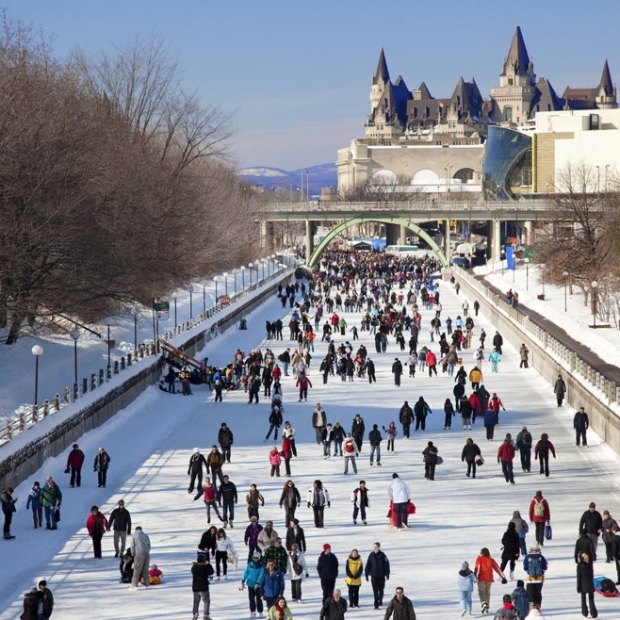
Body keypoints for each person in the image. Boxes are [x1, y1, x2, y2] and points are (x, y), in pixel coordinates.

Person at [474, 547, 506, 615]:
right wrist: (503, 577)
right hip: (489, 579)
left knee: (481, 592)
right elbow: (497, 568)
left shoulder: (479, 559)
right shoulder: (491, 560)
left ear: (481, 552)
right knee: (487, 593)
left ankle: (484, 603)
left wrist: (475, 577)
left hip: (481, 579)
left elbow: (478, 569)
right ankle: (487, 607)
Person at [365, 542, 390, 609]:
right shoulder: (371, 555)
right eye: (373, 547)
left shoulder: (383, 555)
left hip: (381, 575)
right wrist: (366, 574)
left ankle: (380, 600)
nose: (374, 548)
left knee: (381, 589)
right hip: (373, 575)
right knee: (375, 590)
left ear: (379, 547)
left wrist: (387, 574)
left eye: (376, 547)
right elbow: (368, 564)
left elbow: (387, 565)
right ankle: (376, 604)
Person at [241, 551, 265, 617]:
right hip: (250, 584)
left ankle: (260, 611)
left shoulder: (261, 566)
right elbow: (246, 572)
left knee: (259, 599)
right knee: (251, 598)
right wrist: (243, 579)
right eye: (254, 557)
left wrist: (258, 582)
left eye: (256, 558)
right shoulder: (250, 565)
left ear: (259, 558)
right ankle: (252, 611)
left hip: (258, 585)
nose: (255, 559)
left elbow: (261, 575)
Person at [192, 552, 214, 620]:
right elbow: (211, 572)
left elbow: (192, 571)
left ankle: (195, 614)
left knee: (196, 601)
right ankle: (206, 615)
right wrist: (208, 564)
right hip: (204, 587)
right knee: (206, 601)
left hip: (195, 587)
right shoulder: (206, 567)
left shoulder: (194, 567)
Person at [576, 553, 598, 619]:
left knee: (583, 598)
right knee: (591, 599)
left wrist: (578, 586)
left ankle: (584, 612)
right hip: (590, 583)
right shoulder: (590, 564)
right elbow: (592, 574)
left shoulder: (579, 565)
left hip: (583, 583)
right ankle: (593, 613)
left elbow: (578, 576)